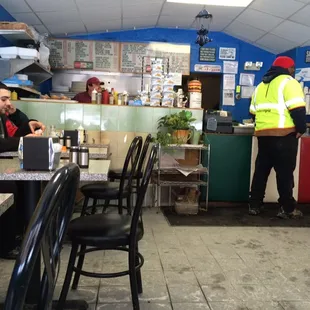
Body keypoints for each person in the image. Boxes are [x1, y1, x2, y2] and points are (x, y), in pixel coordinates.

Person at [249, 56, 307, 219]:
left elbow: (252, 112)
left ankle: (254, 205)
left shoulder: (260, 86)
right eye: (293, 68)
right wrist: (301, 129)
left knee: (261, 171)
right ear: (288, 69)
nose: (293, 71)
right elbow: (298, 109)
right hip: (284, 135)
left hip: (263, 135)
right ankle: (287, 209)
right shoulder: (289, 82)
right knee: (285, 173)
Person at [0, 82, 45, 258]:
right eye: (3, 99)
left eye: (8, 100)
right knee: (9, 186)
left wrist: (28, 123)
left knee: (24, 181)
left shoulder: (3, 117)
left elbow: (17, 132)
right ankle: (7, 244)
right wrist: (23, 141)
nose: (7, 103)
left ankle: (22, 233)